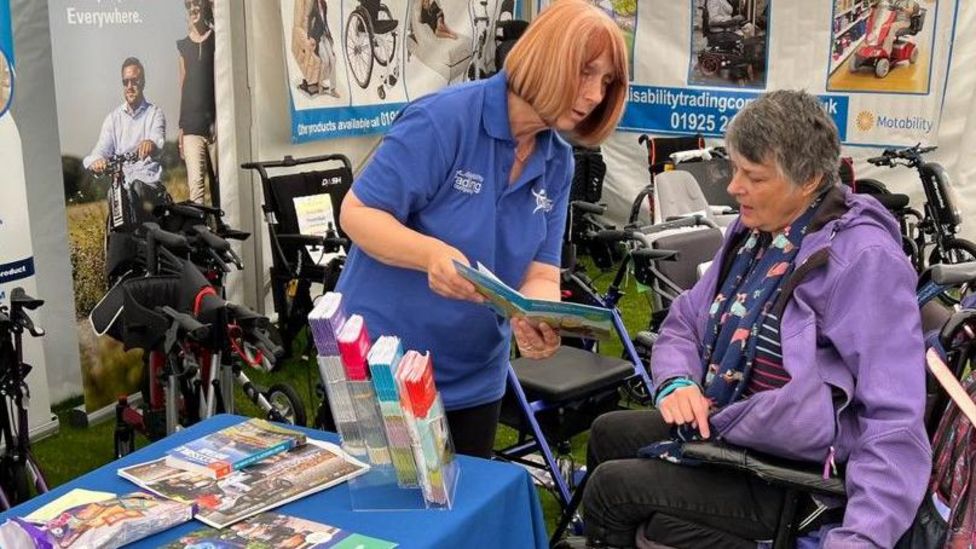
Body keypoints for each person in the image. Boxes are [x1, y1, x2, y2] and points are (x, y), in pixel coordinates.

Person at [579, 90, 931, 548]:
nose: (733, 187)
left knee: (612, 490)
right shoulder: (755, 234)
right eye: (736, 168)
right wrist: (677, 382)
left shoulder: (862, 260)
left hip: (798, 478)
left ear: (807, 181)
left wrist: (861, 538)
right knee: (608, 432)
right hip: (740, 424)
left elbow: (894, 419)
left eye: (753, 175)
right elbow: (685, 318)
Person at [334, 0, 628, 458]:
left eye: (606, 81)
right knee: (383, 521)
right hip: (383, 370)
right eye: (586, 72)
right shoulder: (442, 121)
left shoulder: (558, 160)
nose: (594, 95)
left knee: (462, 519)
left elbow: (542, 267)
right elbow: (356, 214)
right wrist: (431, 255)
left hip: (475, 380)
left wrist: (540, 316)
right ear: (547, 58)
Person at [83, 57, 166, 186]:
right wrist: (97, 160)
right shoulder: (112, 119)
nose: (129, 87)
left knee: (138, 188)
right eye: (125, 82)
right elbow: (100, 150)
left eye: (134, 81)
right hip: (121, 184)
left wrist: (151, 143)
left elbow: (158, 139)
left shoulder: (155, 113)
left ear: (143, 82)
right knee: (112, 196)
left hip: (147, 182)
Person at [177, 0, 218, 205]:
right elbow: (183, 86)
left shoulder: (218, 38)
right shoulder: (183, 46)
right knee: (196, 188)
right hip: (192, 127)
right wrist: (181, 130)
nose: (193, 8)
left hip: (217, 126)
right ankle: (201, 233)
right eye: (189, 5)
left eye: (197, 3)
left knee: (221, 184)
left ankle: (223, 229)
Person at [307, 0, 340, 97]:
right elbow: (309, 19)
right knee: (325, 61)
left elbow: (325, 21)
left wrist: (330, 36)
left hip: (326, 35)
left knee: (333, 60)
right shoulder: (313, 5)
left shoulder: (324, 4)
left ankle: (333, 89)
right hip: (317, 37)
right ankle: (320, 85)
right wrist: (309, 37)